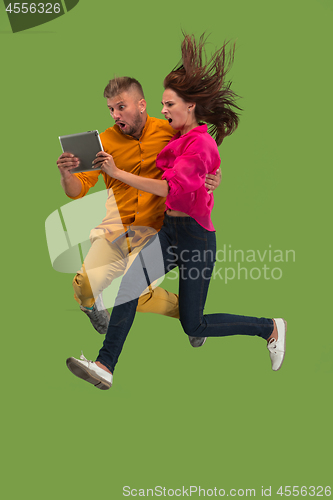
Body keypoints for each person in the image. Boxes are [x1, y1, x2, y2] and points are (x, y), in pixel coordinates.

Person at [66, 34, 287, 390]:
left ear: (191, 107)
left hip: (196, 238)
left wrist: (118, 173)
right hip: (169, 230)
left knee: (193, 324)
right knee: (129, 288)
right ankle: (105, 364)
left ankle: (269, 327)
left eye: (169, 104)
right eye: (163, 104)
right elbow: (189, 175)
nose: (163, 110)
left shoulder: (200, 142)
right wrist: (209, 179)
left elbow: (172, 187)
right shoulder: (179, 138)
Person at [57, 76, 221, 347]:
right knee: (82, 287)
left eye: (121, 107)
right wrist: (66, 174)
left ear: (142, 105)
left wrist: (216, 175)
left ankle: (190, 316)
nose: (115, 114)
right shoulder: (104, 142)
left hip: (155, 231)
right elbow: (77, 189)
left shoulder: (169, 131)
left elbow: (201, 151)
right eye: (111, 109)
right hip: (116, 229)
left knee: (137, 297)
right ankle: (92, 305)